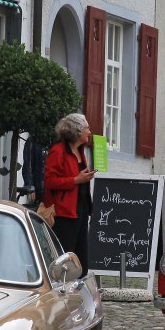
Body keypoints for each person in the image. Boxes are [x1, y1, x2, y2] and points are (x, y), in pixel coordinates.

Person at [44, 112, 95, 275]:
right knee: (64, 257)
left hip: (81, 209)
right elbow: (50, 181)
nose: (89, 132)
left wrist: (83, 178)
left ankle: (79, 286)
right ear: (77, 131)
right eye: (87, 128)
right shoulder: (58, 151)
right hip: (64, 213)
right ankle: (61, 287)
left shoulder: (80, 151)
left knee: (82, 256)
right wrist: (76, 180)